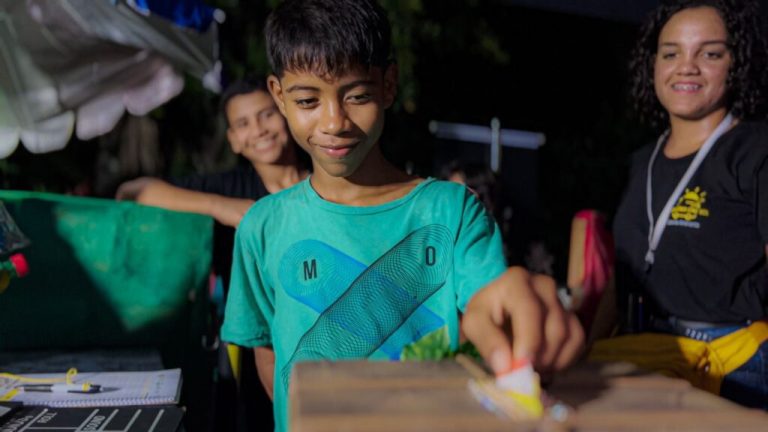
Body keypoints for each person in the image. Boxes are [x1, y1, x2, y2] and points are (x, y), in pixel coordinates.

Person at [219, 1, 584, 430]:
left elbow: (490, 300)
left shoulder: (452, 211)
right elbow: (268, 350)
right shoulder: (261, 226)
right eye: (308, 100)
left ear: (389, 84)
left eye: (357, 95)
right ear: (279, 96)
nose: (334, 121)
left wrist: (514, 302)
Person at [602, 0, 768, 409]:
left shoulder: (755, 149)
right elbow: (617, 276)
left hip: (733, 361)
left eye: (710, 53)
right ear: (653, 65)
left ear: (737, 64)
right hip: (645, 349)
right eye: (671, 53)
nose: (687, 66)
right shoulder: (640, 161)